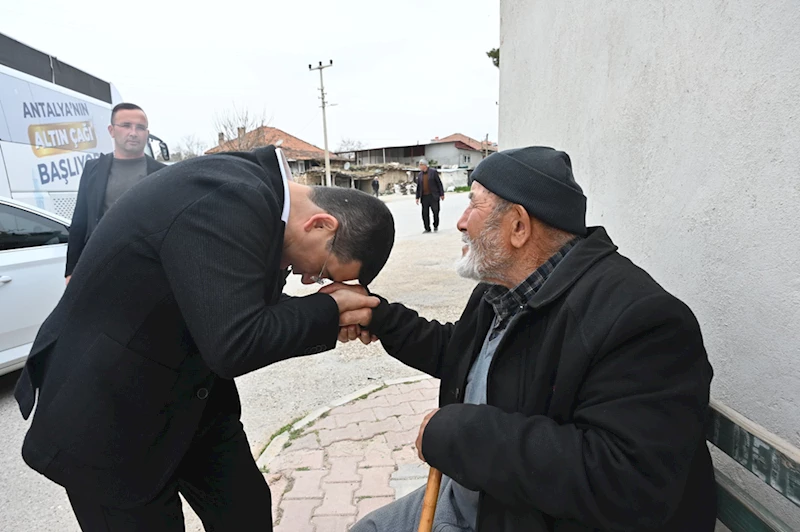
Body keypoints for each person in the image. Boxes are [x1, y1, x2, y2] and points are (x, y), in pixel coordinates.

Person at [329, 147, 716, 532]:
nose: (461, 223)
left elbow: (623, 481)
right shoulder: (505, 289)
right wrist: (380, 318)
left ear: (518, 226)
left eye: (473, 205)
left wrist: (460, 434)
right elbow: (469, 355)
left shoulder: (641, 320)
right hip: (482, 500)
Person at [14, 145, 395, 531]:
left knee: (245, 512)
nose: (311, 281)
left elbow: (235, 300)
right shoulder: (228, 199)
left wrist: (329, 316)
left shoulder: (260, 201)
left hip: (189, 401)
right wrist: (329, 312)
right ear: (321, 225)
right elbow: (234, 342)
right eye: (326, 272)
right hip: (108, 418)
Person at [65, 102, 165, 284]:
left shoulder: (162, 173)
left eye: (140, 128)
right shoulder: (93, 169)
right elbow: (80, 221)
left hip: (148, 269)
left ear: (147, 134)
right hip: (101, 265)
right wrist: (71, 271)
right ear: (112, 130)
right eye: (126, 125)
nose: (133, 133)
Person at [415, 158, 444, 233]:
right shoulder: (420, 174)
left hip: (433, 196)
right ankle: (427, 228)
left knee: (436, 211)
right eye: (419, 165)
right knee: (425, 213)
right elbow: (418, 187)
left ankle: (435, 225)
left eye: (421, 165)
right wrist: (417, 197)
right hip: (424, 197)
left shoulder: (433, 172)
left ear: (425, 165)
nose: (420, 166)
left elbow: (439, 183)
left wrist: (441, 194)